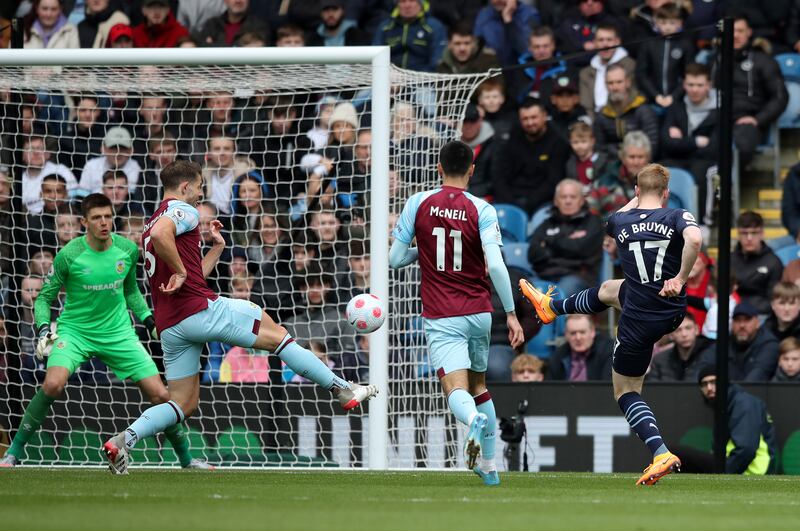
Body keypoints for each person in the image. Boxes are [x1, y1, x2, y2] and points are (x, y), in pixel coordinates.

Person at [101, 160, 377, 474]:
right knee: (278, 335)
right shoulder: (181, 211)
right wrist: (179, 270)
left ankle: (125, 439)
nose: (202, 193)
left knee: (183, 403)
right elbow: (176, 255)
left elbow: (189, 273)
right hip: (201, 310)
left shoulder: (150, 223)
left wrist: (216, 249)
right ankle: (342, 388)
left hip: (172, 325)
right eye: (200, 186)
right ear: (185, 187)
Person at [521, 163, 703, 485]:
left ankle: (659, 451)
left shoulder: (619, 221)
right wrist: (680, 278)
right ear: (665, 193)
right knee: (608, 289)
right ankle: (551, 307)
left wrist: (634, 200)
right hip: (671, 307)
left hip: (638, 318)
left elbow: (615, 219)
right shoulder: (676, 215)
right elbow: (695, 239)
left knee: (625, 391)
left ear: (635, 191)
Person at [0, 194, 208, 470]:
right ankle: (13, 454)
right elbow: (43, 298)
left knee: (161, 395)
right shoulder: (68, 255)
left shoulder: (127, 250)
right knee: (52, 385)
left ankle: (186, 460)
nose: (104, 222)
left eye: (108, 216)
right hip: (75, 332)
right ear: (84, 222)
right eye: (97, 218)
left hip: (118, 333)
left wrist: (149, 321)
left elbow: (131, 291)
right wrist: (42, 331)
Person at [389, 140, 525, 486]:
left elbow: (393, 259)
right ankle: (491, 468)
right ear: (472, 170)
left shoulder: (417, 202)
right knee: (480, 387)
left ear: (438, 167)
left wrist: (425, 251)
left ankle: (472, 422)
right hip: (480, 311)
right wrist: (510, 313)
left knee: (456, 391)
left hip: (442, 314)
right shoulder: (483, 209)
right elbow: (496, 266)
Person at [677, 365, 777, 475]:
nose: (709, 388)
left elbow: (747, 449)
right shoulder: (726, 405)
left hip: (751, 471)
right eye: (704, 384)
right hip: (734, 466)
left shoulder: (744, 403)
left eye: (714, 382)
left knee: (675, 455)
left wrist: (724, 473)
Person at [725, 14, 788, 167]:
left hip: (749, 122)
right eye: (731, 31)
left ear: (749, 32)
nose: (735, 35)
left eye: (740, 30)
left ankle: (730, 188)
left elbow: (780, 97)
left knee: (740, 147)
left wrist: (758, 119)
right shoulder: (716, 60)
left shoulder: (764, 61)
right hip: (717, 121)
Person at [660, 62, 719, 226]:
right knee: (657, 170)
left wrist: (682, 143)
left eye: (699, 85)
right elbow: (666, 143)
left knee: (703, 172)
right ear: (684, 85)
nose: (694, 89)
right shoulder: (676, 108)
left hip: (709, 162)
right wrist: (696, 141)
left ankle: (702, 224)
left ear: (709, 85)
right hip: (680, 159)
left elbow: (714, 148)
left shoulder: (719, 110)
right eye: (690, 84)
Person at [491, 98, 571, 215]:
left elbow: (554, 180)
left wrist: (527, 205)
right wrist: (512, 203)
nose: (530, 123)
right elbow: (499, 175)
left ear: (544, 116)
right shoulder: (512, 138)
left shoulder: (558, 142)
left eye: (534, 117)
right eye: (525, 119)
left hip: (543, 203)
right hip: (511, 199)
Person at [528, 178, 604, 296]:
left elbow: (581, 249)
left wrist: (549, 244)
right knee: (522, 292)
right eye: (563, 197)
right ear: (556, 201)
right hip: (545, 275)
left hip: (578, 276)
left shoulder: (593, 222)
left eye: (573, 197)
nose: (568, 201)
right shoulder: (547, 223)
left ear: (582, 200)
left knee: (555, 297)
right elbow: (532, 253)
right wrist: (566, 244)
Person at [700, 301, 779, 382]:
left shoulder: (769, 344)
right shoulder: (724, 343)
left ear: (757, 323)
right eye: (737, 320)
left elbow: (757, 376)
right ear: (732, 323)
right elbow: (703, 367)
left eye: (747, 320)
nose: (742, 325)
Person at [634, 3, 694, 110]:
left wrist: (674, 96)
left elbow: (689, 74)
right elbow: (641, 73)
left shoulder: (685, 44)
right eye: (663, 22)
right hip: (651, 100)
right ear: (656, 22)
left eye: (672, 23)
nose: (667, 27)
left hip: (678, 101)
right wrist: (655, 95)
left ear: (680, 23)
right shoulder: (648, 44)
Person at [593, 63, 659, 159]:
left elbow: (652, 146)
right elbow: (599, 148)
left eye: (619, 82)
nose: (615, 87)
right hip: (612, 165)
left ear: (628, 82)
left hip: (641, 165)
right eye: (610, 83)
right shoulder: (602, 115)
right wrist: (620, 154)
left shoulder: (643, 110)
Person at [588, 130, 652, 221]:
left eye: (640, 157)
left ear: (648, 158)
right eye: (632, 157)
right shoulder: (605, 181)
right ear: (623, 157)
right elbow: (591, 212)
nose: (636, 162)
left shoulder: (656, 184)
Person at [731, 211, 783, 314]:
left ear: (762, 234)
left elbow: (773, 301)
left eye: (754, 233)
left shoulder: (773, 262)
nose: (749, 238)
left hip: (761, 316)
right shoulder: (729, 260)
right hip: (731, 314)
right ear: (738, 234)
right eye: (744, 233)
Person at [579, 23, 635, 118]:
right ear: (594, 43)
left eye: (609, 40)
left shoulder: (630, 65)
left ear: (617, 41)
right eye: (600, 40)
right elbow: (586, 105)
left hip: (625, 116)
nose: (605, 44)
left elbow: (634, 95)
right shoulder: (586, 72)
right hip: (597, 120)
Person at [372, 0, 447, 72]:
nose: (407, 5)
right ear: (397, 4)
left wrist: (415, 79)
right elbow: (375, 56)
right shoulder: (385, 27)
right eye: (402, 1)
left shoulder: (434, 27)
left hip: (423, 80)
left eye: (412, 0)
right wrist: (387, 75)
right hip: (389, 79)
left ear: (421, 3)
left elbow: (437, 61)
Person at [21, 135, 78, 215]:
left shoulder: (61, 170)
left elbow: (74, 197)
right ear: (22, 155)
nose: (36, 153)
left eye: (40, 149)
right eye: (30, 149)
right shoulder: (19, 179)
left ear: (47, 154)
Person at [648, 313, 714, 381]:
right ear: (671, 335)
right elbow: (653, 388)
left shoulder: (712, 353)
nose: (684, 334)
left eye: (688, 328)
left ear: (696, 329)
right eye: (678, 330)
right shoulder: (659, 360)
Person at [79, 127, 141, 198]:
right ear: (103, 149)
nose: (118, 153)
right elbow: (81, 197)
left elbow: (128, 200)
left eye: (123, 148)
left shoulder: (136, 168)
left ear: (131, 150)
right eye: (113, 148)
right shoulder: (91, 166)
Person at [473, 0, 540, 67]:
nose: (498, 0)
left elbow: (526, 50)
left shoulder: (529, 14)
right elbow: (476, 49)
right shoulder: (484, 15)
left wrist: (508, 21)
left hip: (524, 69)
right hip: (494, 69)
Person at [547, 315, 613, 381]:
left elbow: (608, 386)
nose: (578, 338)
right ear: (566, 334)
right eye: (573, 333)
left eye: (582, 332)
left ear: (592, 332)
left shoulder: (608, 352)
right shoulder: (558, 356)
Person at [195, 0, 270, 47]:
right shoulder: (212, 24)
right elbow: (201, 48)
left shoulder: (259, 26)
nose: (238, 1)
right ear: (225, 1)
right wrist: (238, 47)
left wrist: (214, 46)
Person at [565, 122, 611, 190]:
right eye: (575, 142)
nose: (579, 146)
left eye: (583, 141)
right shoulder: (570, 164)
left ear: (592, 141)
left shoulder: (603, 161)